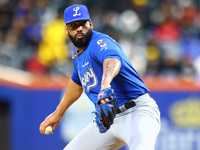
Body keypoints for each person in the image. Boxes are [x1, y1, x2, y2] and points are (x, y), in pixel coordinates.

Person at [39, 4, 160, 150]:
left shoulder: (99, 42)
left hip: (138, 112)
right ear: (66, 29)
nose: (79, 28)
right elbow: (76, 82)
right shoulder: (78, 53)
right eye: (73, 25)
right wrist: (58, 113)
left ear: (90, 23)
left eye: (83, 24)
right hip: (109, 121)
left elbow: (113, 60)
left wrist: (105, 84)